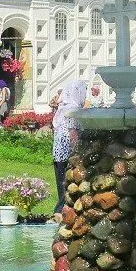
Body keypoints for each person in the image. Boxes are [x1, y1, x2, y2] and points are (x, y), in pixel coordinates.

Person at [53, 81, 84, 214]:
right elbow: (73, 134)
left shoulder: (63, 107)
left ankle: (59, 212)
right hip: (67, 153)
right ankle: (60, 212)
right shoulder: (73, 109)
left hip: (57, 153)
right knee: (67, 185)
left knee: (61, 184)